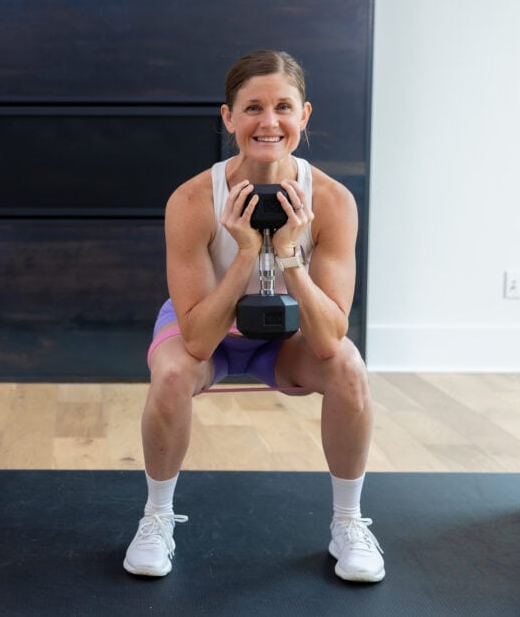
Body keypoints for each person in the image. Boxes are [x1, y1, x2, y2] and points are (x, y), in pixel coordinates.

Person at [123, 50, 383, 582]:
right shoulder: (193, 200)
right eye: (253, 108)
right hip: (211, 333)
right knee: (172, 371)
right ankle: (156, 517)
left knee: (350, 369)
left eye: (283, 107)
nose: (269, 122)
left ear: (304, 115)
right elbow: (195, 339)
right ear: (229, 118)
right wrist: (245, 252)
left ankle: (349, 522)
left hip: (291, 340)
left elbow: (330, 338)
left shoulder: (332, 202)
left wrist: (289, 254)